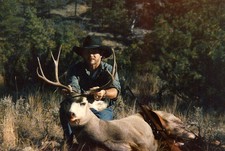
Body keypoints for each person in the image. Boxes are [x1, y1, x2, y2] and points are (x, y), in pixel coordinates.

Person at [59, 35, 121, 147]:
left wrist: (104, 93)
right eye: (87, 51)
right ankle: (69, 142)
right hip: (81, 104)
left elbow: (115, 91)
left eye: (94, 52)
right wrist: (69, 91)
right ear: (83, 54)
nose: (91, 55)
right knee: (65, 107)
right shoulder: (75, 69)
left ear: (101, 54)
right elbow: (73, 86)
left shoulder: (110, 70)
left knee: (101, 139)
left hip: (101, 106)